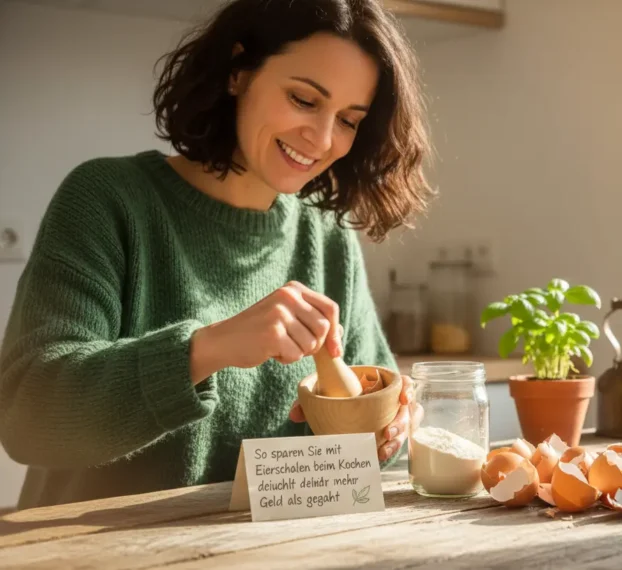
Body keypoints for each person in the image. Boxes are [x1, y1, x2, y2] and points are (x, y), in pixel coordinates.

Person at [0, 0, 433, 510]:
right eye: (302, 99)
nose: (321, 138)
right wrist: (206, 349)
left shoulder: (328, 237)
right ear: (237, 71)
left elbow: (363, 458)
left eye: (349, 120)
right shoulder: (107, 199)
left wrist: (390, 426)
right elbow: (24, 416)